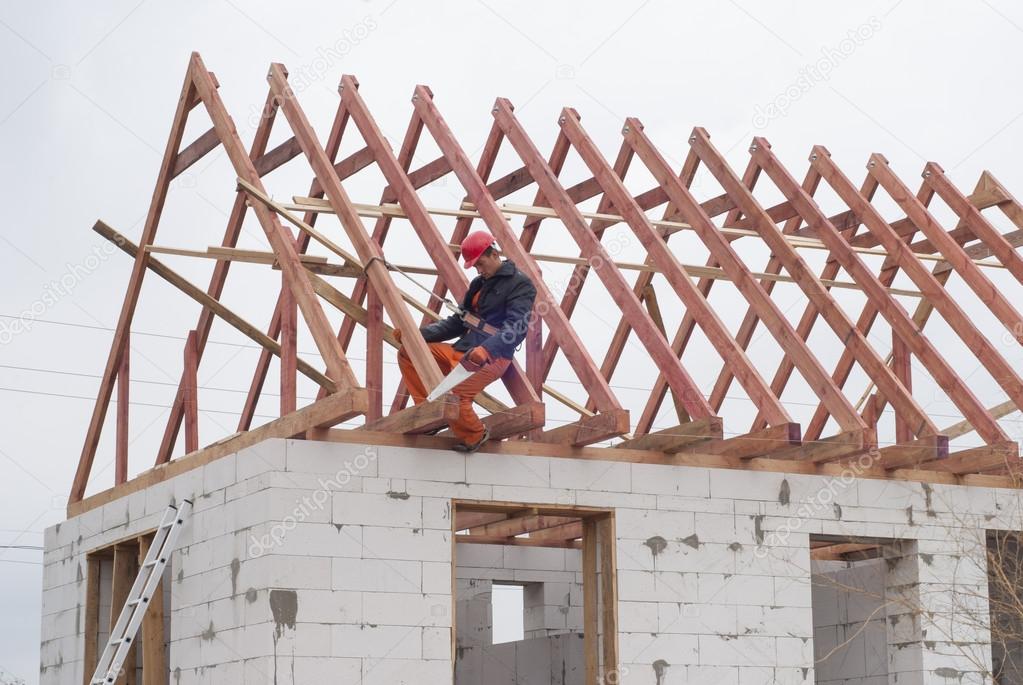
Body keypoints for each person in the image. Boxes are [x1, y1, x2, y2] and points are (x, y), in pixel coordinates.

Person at [395, 230, 536, 452]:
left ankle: (475, 434)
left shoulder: (520, 284)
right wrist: (417, 336)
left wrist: (487, 350)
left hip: (492, 357)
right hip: (464, 350)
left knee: (456, 395)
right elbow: (458, 322)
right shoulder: (479, 284)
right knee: (408, 352)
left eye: (481, 263)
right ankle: (428, 414)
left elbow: (516, 329)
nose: (479, 270)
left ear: (494, 254)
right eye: (475, 266)